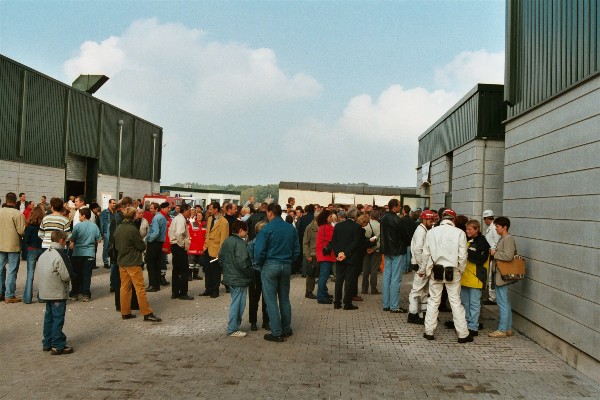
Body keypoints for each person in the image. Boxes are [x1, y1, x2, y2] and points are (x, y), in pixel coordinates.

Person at [419, 209, 473, 343]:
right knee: (455, 302)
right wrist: (460, 269)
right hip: (453, 270)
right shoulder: (460, 233)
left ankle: (429, 332)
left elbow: (426, 254)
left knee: (433, 301)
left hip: (435, 270)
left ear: (442, 218)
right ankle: (463, 334)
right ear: (453, 219)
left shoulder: (431, 232)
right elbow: (463, 255)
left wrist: (423, 270)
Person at [254, 203, 300, 342]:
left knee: (271, 300)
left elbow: (259, 251)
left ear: (270, 213)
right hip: (286, 265)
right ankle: (286, 328)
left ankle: (276, 332)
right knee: (284, 299)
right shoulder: (290, 229)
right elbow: (297, 250)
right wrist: (289, 261)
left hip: (270, 265)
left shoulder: (266, 229)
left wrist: (260, 264)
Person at [114, 207, 161, 322]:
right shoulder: (132, 229)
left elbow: (115, 244)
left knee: (125, 287)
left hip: (122, 261)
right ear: (134, 216)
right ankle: (146, 312)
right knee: (139, 288)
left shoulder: (119, 227)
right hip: (133, 262)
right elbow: (141, 246)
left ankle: (125, 312)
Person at [445, 219, 490, 336]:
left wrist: (466, 253)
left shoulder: (482, 242)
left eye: (470, 229)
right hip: (464, 277)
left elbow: (481, 259)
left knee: (474, 304)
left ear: (477, 229)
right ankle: (466, 323)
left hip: (476, 278)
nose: (467, 231)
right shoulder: (466, 239)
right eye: (466, 229)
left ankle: (473, 326)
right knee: (464, 303)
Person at [37, 230, 74, 355]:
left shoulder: (44, 254)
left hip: (45, 290)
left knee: (49, 317)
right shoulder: (60, 255)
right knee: (58, 317)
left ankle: (47, 342)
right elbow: (66, 275)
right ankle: (58, 345)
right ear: (61, 240)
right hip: (57, 291)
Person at [220, 220, 254, 337]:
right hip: (240, 278)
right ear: (241, 230)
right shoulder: (240, 243)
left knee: (236, 302)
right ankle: (233, 328)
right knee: (238, 303)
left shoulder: (227, 241)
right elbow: (243, 262)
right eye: (246, 230)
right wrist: (251, 273)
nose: (247, 233)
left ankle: (234, 327)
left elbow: (220, 258)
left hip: (230, 276)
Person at [380, 199, 410, 313]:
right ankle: (394, 305)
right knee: (395, 279)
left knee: (387, 276)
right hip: (397, 250)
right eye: (399, 206)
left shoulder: (383, 218)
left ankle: (386, 304)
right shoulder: (397, 219)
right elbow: (405, 236)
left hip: (387, 250)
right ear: (395, 207)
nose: (400, 208)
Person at [488, 216, 516, 338]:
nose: (496, 229)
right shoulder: (503, 238)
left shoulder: (508, 239)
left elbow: (509, 256)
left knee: (502, 302)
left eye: (498, 227)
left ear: (505, 227)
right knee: (505, 302)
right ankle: (508, 328)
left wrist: (495, 254)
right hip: (500, 275)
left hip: (502, 276)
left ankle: (502, 329)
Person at [407, 210, 436, 324]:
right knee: (416, 290)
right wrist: (422, 267)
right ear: (424, 220)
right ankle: (413, 314)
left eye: (433, 220)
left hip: (422, 265)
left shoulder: (423, 230)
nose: (432, 222)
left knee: (423, 290)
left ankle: (423, 313)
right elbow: (417, 250)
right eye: (430, 220)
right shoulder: (421, 232)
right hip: (421, 266)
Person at [330, 206, 363, 311]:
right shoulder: (357, 227)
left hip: (339, 257)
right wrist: (346, 253)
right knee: (349, 281)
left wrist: (338, 253)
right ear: (356, 216)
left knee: (339, 280)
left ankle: (337, 302)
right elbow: (355, 243)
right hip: (351, 257)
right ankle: (347, 303)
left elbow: (333, 242)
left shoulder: (338, 226)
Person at [68, 208, 101, 302]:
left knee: (76, 273)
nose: (79, 217)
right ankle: (86, 294)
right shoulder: (94, 226)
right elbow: (98, 239)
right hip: (90, 253)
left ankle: (74, 293)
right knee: (87, 274)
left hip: (78, 252)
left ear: (84, 216)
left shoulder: (78, 226)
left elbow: (72, 238)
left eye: (80, 215)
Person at [0, 192, 27, 303]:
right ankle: (9, 295)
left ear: (5, 200)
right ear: (15, 201)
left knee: (0, 269)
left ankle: (0, 293)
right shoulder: (17, 213)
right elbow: (21, 231)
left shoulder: (0, 211)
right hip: (13, 245)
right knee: (12, 270)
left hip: (0, 244)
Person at [201, 202, 229, 298]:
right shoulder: (209, 219)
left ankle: (215, 290)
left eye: (211, 209)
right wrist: (205, 245)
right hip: (207, 248)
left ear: (216, 209)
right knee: (207, 270)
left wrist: (220, 252)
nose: (209, 211)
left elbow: (223, 239)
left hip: (216, 250)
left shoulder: (224, 222)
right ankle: (208, 289)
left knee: (215, 271)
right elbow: (208, 233)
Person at [247, 221, 269, 331]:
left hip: (265, 272)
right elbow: (251, 260)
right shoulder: (251, 244)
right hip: (255, 273)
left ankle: (266, 321)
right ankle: (253, 322)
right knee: (254, 299)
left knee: (267, 299)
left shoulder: (269, 243)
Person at [169, 203, 193, 300]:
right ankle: (183, 293)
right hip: (179, 247)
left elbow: (170, 231)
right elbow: (179, 233)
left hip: (174, 246)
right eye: (189, 210)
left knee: (176, 270)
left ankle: (175, 292)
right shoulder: (181, 219)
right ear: (185, 210)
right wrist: (182, 244)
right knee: (184, 270)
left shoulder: (176, 218)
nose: (190, 213)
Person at [23, 206, 46, 304]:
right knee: (42, 274)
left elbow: (26, 240)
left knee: (30, 274)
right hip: (41, 249)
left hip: (32, 249)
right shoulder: (43, 226)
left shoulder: (29, 227)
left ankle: (28, 298)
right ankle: (41, 296)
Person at [145, 202, 168, 292]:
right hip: (159, 243)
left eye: (151, 208)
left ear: (156, 209)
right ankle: (157, 284)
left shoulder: (156, 218)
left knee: (151, 264)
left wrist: (148, 239)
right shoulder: (162, 217)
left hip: (154, 243)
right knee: (157, 264)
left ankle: (152, 285)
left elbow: (155, 232)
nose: (150, 210)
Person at [315, 210, 335, 304]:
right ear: (325, 218)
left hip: (324, 255)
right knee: (323, 276)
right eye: (330, 216)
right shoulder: (325, 227)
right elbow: (334, 238)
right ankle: (321, 296)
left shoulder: (324, 227)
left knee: (324, 276)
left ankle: (324, 293)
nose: (332, 218)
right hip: (325, 255)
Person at [482, 209, 501, 305]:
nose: (484, 222)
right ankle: (492, 296)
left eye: (484, 219)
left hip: (493, 254)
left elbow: (496, 241)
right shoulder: (491, 227)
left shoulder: (493, 228)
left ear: (486, 219)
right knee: (491, 275)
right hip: (490, 254)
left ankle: (493, 297)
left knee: (491, 276)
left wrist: (493, 250)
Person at [361, 210, 381, 295]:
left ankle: (364, 289)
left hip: (366, 249)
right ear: (378, 216)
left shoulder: (366, 224)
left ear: (370, 216)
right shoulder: (380, 226)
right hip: (376, 250)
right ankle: (373, 289)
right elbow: (380, 240)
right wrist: (375, 248)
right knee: (374, 270)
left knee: (365, 269)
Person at [302, 208, 319, 299]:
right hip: (312, 254)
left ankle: (322, 290)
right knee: (311, 274)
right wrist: (307, 255)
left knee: (320, 274)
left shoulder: (321, 226)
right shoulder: (310, 227)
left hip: (319, 254)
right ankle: (308, 291)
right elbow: (305, 242)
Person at [187, 210, 206, 281]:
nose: (199, 217)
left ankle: (195, 275)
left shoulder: (205, 225)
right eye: (198, 215)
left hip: (201, 246)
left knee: (198, 263)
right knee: (191, 262)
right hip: (193, 246)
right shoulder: (192, 224)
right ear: (195, 216)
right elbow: (188, 234)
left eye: (200, 216)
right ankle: (189, 275)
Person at [99, 199, 117, 269]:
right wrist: (102, 233)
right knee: (106, 247)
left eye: (115, 203)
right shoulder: (104, 213)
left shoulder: (115, 213)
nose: (114, 205)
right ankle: (106, 262)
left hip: (114, 231)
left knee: (113, 247)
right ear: (109, 203)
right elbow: (101, 223)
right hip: (107, 232)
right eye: (113, 203)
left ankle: (112, 261)